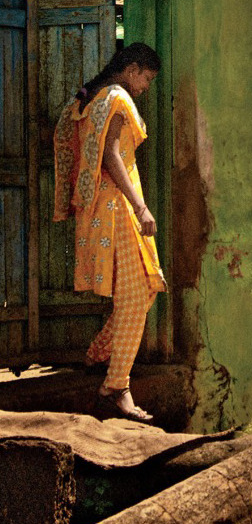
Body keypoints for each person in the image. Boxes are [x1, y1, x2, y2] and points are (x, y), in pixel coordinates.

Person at [53, 43, 166, 423]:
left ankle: (99, 355)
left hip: (103, 208)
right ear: (132, 70)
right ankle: (117, 386)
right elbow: (111, 156)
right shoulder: (116, 99)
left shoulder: (97, 96)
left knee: (143, 290)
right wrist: (141, 206)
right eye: (147, 79)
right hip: (117, 207)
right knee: (137, 295)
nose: (146, 87)